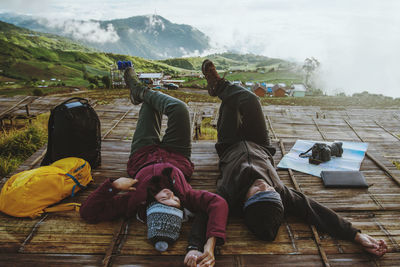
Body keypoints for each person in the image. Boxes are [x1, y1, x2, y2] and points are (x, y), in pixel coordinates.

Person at [186, 59, 387, 259]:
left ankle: (218, 88)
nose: (263, 185)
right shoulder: (282, 193)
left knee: (230, 105)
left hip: (229, 146)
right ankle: (218, 86)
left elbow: (206, 214)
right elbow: (316, 212)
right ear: (278, 196)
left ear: (245, 201)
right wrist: (356, 235)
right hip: (259, 144)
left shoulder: (229, 193)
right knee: (252, 100)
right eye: (269, 191)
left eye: (257, 192)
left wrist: (194, 247)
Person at [80, 65, 228, 266]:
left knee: (149, 107)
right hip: (178, 155)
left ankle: (138, 91)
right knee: (179, 109)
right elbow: (218, 203)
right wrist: (210, 246)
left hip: (143, 154)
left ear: (152, 206)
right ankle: (139, 90)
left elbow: (88, 212)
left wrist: (112, 186)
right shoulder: (187, 196)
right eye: (176, 202)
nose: (172, 195)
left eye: (166, 200)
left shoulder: (134, 200)